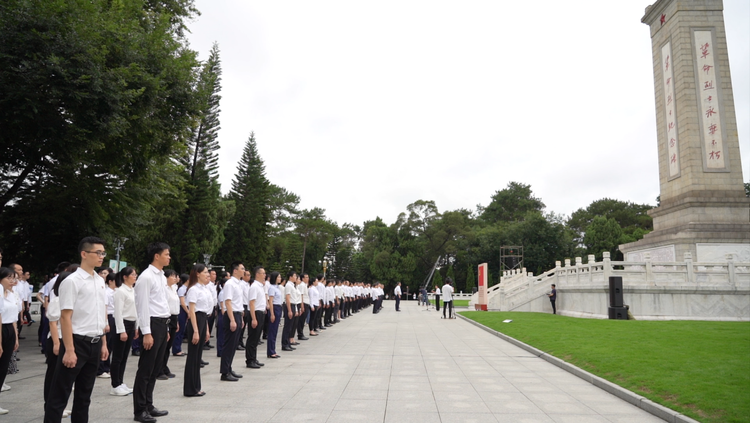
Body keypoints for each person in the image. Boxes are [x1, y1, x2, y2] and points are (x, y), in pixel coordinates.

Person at [44, 237, 109, 423]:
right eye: (98, 253)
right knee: (59, 396)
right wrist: (69, 349)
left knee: (84, 396)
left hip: (95, 343)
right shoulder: (72, 281)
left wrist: (103, 343)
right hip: (76, 342)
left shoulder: (99, 280)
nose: (101, 257)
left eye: (103, 253)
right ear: (84, 254)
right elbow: (65, 317)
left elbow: (99, 316)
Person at [132, 242, 172, 423]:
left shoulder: (161, 276)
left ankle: (148, 404)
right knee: (146, 368)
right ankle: (139, 410)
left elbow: (162, 303)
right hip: (152, 325)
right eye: (166, 254)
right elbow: (142, 307)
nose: (169, 257)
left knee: (155, 367)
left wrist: (167, 328)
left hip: (162, 324)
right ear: (157, 256)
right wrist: (146, 332)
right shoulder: (146, 277)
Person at [183, 264, 211, 397]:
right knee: (193, 356)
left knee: (198, 356)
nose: (207, 274)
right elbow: (192, 311)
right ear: (198, 274)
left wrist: (206, 329)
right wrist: (195, 330)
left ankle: (196, 386)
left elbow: (205, 311)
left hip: (202, 319)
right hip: (195, 320)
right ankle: (190, 388)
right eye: (205, 272)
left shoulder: (204, 289)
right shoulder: (193, 289)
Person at [110, 267, 137, 396]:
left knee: (125, 356)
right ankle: (115, 384)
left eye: (135, 274)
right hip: (122, 324)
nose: (135, 276)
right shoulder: (120, 291)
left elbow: (135, 310)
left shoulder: (133, 290)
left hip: (131, 324)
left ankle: (120, 382)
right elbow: (118, 313)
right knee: (117, 356)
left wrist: (136, 327)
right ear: (125, 277)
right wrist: (122, 330)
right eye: (132, 274)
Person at [219, 262, 245, 382]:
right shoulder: (230, 284)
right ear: (235, 270)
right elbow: (228, 302)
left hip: (238, 314)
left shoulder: (238, 284)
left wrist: (241, 318)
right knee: (229, 345)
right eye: (242, 269)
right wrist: (233, 320)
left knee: (234, 345)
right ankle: (224, 372)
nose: (244, 271)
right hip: (232, 315)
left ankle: (229, 368)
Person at [0, 267, 20, 415]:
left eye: (14, 278)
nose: (12, 281)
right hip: (1, 329)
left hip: (9, 330)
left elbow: (14, 318)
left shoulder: (12, 295)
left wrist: (16, 337)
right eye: (9, 278)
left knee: (3, 367)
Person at [157, 269, 180, 380]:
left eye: (175, 276)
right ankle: (159, 369)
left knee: (168, 346)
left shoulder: (174, 288)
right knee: (163, 346)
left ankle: (164, 366)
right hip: (167, 317)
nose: (175, 278)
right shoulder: (165, 289)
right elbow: (165, 306)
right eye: (172, 276)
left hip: (174, 318)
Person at [245, 266, 266, 369]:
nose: (264, 276)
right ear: (257, 274)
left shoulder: (260, 286)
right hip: (255, 313)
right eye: (263, 274)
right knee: (252, 338)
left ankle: (254, 358)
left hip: (260, 312)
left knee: (257, 337)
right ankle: (250, 360)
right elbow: (252, 303)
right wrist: (253, 318)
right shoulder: (254, 286)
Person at [97, 272, 116, 379]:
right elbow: (105, 308)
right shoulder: (107, 293)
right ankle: (101, 368)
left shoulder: (115, 292)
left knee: (111, 345)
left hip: (114, 317)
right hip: (108, 317)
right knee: (106, 344)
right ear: (110, 281)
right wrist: (106, 323)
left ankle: (107, 367)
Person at [266, 272, 283, 358]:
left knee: (275, 330)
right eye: (279, 277)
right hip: (275, 308)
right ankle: (270, 351)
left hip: (278, 307)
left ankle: (273, 349)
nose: (280, 278)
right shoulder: (272, 288)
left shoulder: (277, 288)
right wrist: (272, 313)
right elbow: (271, 301)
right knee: (272, 331)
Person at [281, 272, 299, 352]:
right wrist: (289, 310)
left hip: (293, 305)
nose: (296, 277)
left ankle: (288, 343)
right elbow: (287, 298)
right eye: (295, 276)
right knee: (287, 326)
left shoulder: (292, 286)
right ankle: (284, 344)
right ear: (290, 277)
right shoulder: (288, 285)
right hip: (289, 305)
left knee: (290, 326)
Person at [172, 273, 189, 357]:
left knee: (182, 330)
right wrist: (188, 311)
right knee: (179, 330)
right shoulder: (182, 289)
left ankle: (179, 348)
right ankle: (176, 349)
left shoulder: (187, 288)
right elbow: (182, 303)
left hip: (186, 309)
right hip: (182, 310)